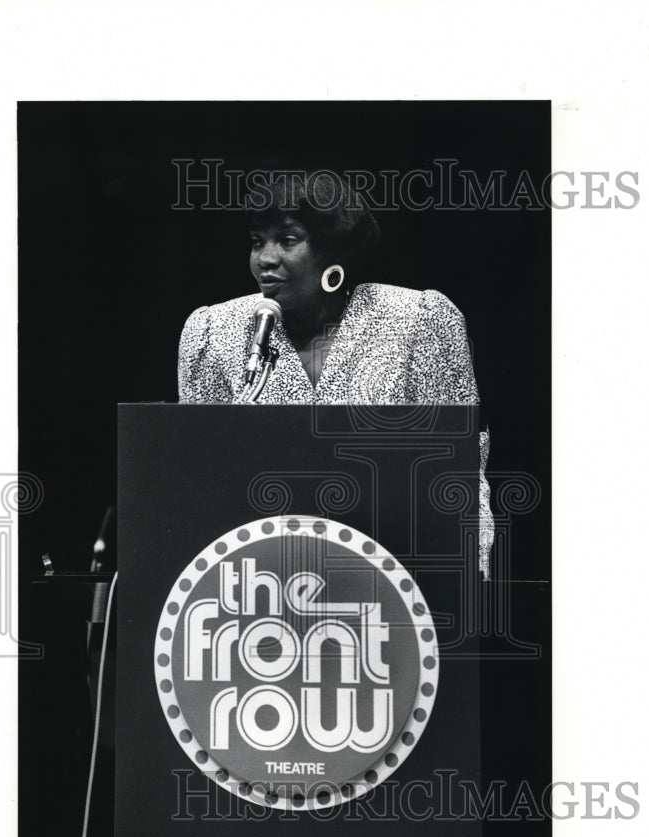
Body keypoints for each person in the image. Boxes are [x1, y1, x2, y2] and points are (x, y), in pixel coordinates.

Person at [178, 173, 494, 576]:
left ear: (334, 254)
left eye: (288, 240)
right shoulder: (214, 332)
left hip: (395, 566)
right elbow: (195, 474)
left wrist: (468, 569)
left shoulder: (417, 321)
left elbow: (460, 464)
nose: (265, 258)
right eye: (258, 241)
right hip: (260, 571)